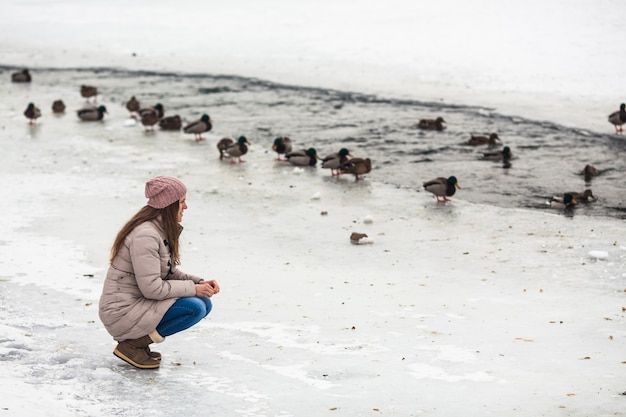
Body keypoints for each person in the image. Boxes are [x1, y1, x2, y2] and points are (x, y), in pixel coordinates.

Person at [99, 176, 220, 369]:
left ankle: (137, 345)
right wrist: (193, 289)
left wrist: (200, 283)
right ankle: (133, 345)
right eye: (182, 202)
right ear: (169, 205)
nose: (186, 207)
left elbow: (167, 273)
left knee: (204, 303)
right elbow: (153, 289)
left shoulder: (158, 229)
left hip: (136, 303)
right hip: (121, 311)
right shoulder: (146, 235)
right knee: (194, 307)